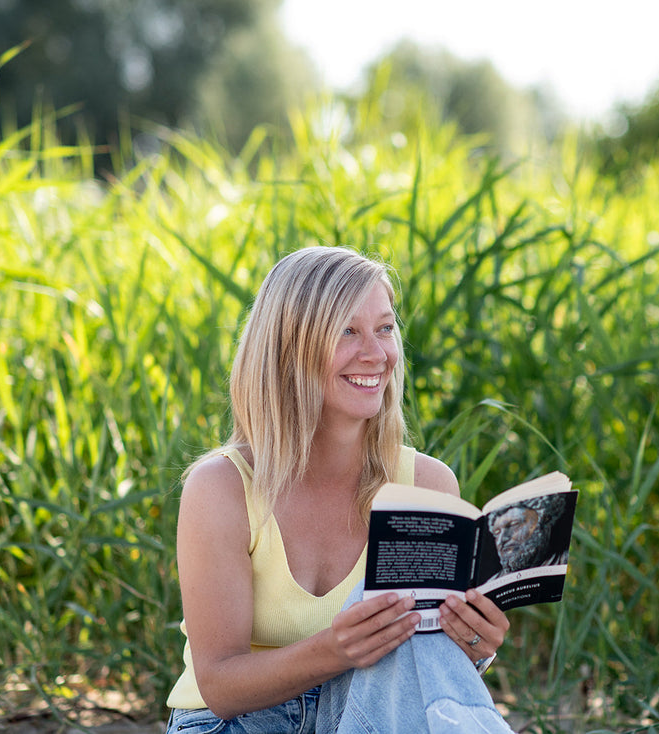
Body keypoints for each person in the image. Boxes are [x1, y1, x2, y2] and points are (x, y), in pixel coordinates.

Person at [165, 246, 515, 733]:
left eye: (385, 328)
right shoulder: (221, 487)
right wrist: (334, 649)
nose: (375, 353)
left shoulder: (429, 485)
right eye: (347, 330)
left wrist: (477, 645)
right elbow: (220, 688)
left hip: (366, 713)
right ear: (290, 347)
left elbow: (427, 680)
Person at [487, 495, 570, 578]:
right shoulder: (491, 583)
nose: (501, 540)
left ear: (545, 519)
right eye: (497, 533)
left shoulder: (570, 564)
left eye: (514, 524)